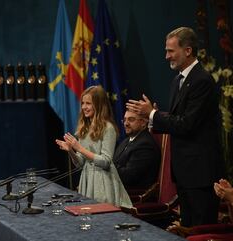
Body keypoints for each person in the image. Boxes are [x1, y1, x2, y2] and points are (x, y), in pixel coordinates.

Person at [126, 26, 225, 227]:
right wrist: (154, 117)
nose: (166, 56)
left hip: (201, 175)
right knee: (187, 229)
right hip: (185, 174)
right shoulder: (177, 81)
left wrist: (152, 114)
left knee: (200, 230)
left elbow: (187, 124)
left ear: (188, 51)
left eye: (171, 51)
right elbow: (176, 121)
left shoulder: (202, 81)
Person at [56, 85, 132, 207]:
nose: (84, 107)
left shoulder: (108, 128)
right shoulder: (83, 128)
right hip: (87, 180)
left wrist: (79, 148)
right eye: (83, 103)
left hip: (103, 182)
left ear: (99, 105)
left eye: (88, 103)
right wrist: (71, 150)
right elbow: (80, 163)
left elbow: (106, 162)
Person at [113, 110, 161, 190]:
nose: (126, 124)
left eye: (131, 120)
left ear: (143, 123)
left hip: (131, 195)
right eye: (124, 120)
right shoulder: (127, 140)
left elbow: (127, 177)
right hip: (117, 188)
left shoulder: (145, 145)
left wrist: (107, 166)